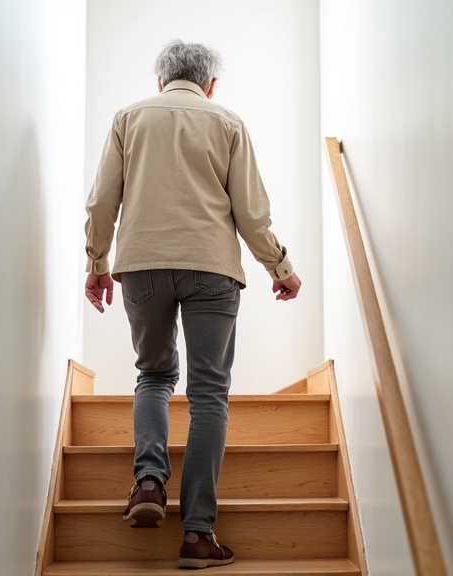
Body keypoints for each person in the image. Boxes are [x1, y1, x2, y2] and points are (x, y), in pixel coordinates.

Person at [82, 40, 302, 570]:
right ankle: (198, 534)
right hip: (211, 269)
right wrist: (280, 268)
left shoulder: (128, 118)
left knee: (153, 376)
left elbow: (100, 203)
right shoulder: (227, 122)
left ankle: (150, 483)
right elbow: (252, 214)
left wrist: (97, 266)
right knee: (208, 396)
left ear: (160, 82)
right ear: (211, 85)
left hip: (142, 265)